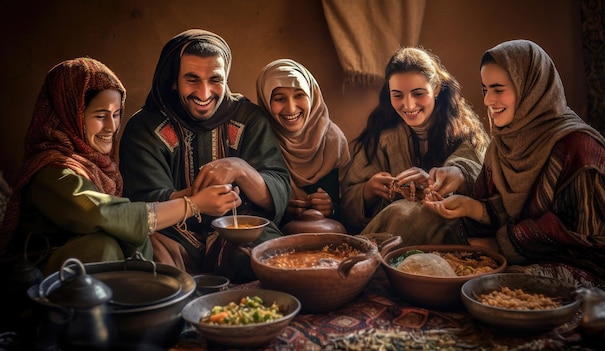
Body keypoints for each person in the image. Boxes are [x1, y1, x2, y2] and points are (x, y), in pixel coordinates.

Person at [422, 39, 605, 349]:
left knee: (496, 286)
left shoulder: (579, 148)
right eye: (485, 89)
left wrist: (506, 243)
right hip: (527, 251)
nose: (489, 100)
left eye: (499, 89)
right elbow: (499, 205)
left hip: (593, 266)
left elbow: (594, 236)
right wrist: (470, 208)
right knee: (451, 256)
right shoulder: (502, 145)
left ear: (530, 87)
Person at [0, 57, 230, 276]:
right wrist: (193, 205)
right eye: (100, 115)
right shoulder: (51, 171)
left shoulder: (95, 165)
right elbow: (101, 214)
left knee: (135, 238)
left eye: (117, 114)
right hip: (46, 275)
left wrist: (187, 195)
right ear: (69, 114)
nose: (111, 126)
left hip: (84, 272)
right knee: (103, 244)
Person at [119, 29, 290, 283]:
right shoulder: (144, 128)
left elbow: (278, 192)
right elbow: (142, 205)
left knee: (276, 259)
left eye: (215, 80)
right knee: (147, 269)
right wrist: (197, 201)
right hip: (171, 239)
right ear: (173, 80)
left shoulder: (248, 119)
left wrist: (241, 168)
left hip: (236, 236)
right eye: (192, 79)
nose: (205, 93)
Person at [340, 47, 489, 244]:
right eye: (398, 95)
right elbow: (346, 206)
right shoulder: (384, 139)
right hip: (394, 236)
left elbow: (475, 172)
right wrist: (369, 191)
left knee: (406, 211)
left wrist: (444, 179)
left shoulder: (464, 133)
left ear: (436, 88)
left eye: (418, 93)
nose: (409, 105)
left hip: (452, 235)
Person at [255, 58, 351, 227]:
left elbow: (351, 206)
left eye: (299, 95)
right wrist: (280, 207)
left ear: (312, 95)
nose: (291, 108)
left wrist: (331, 208)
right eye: (279, 98)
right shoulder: (260, 140)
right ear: (266, 101)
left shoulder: (333, 140)